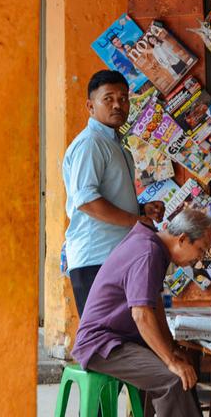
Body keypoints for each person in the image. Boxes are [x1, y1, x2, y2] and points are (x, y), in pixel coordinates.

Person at [71, 209, 211, 417]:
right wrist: (169, 361)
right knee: (173, 379)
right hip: (102, 344)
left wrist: (172, 349)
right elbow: (141, 315)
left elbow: (155, 307)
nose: (200, 259)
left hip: (121, 340)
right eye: (201, 250)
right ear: (183, 239)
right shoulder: (148, 251)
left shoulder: (152, 245)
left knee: (184, 369)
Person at [62, 70, 165, 317]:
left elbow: (106, 195)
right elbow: (85, 201)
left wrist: (141, 209)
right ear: (90, 106)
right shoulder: (91, 144)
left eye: (123, 98)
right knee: (100, 339)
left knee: (117, 336)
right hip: (95, 256)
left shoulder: (114, 143)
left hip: (114, 254)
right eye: (108, 99)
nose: (118, 105)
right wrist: (134, 220)